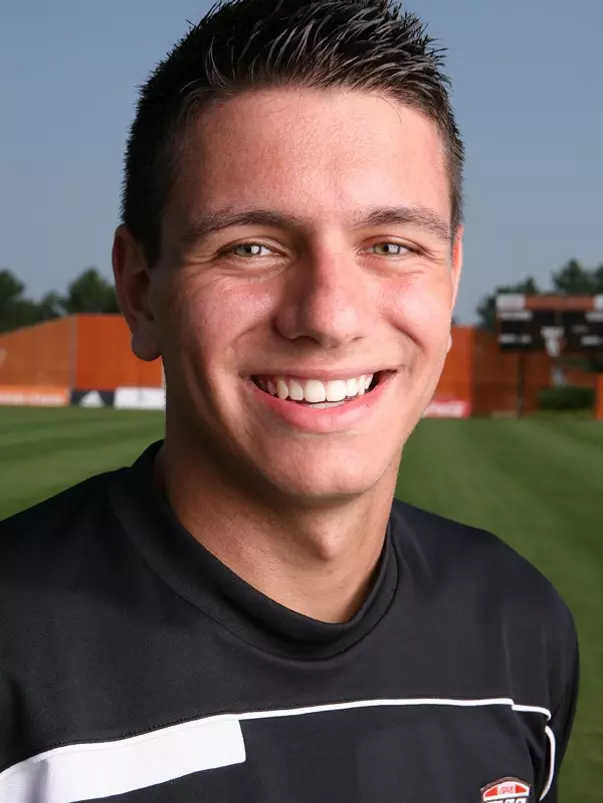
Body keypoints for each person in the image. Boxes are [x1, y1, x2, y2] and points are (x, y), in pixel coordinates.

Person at [0, 1, 579, 801]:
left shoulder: (520, 626)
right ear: (139, 290)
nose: (328, 316)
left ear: (449, 277)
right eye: (252, 246)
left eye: (390, 245)